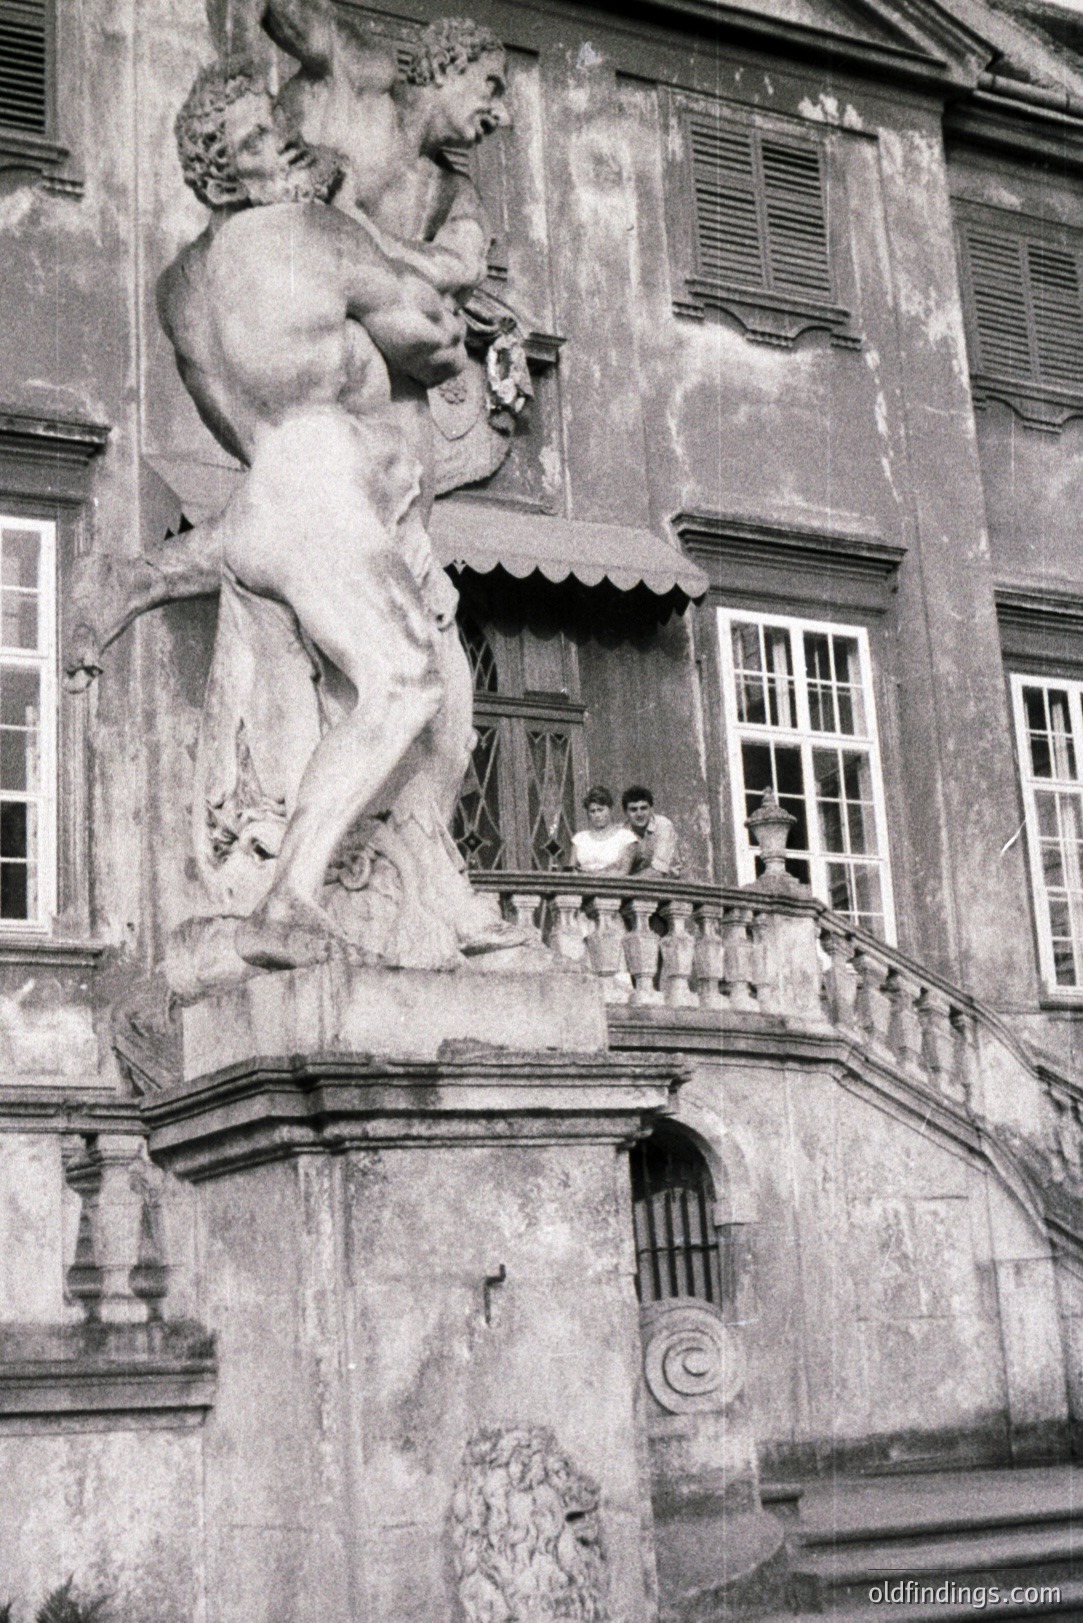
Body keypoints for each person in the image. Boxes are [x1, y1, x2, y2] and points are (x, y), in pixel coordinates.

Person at [569, 788, 638, 877]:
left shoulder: (626, 837)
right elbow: (571, 869)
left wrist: (595, 874)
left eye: (600, 810)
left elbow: (623, 872)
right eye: (592, 811)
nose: (597, 815)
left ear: (610, 809)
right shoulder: (579, 838)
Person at [623, 785, 682, 878]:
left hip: (669, 885)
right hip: (634, 887)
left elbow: (659, 871)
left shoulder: (663, 826)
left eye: (644, 808)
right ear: (626, 813)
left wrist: (625, 883)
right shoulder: (623, 832)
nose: (639, 814)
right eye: (633, 809)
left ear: (651, 809)